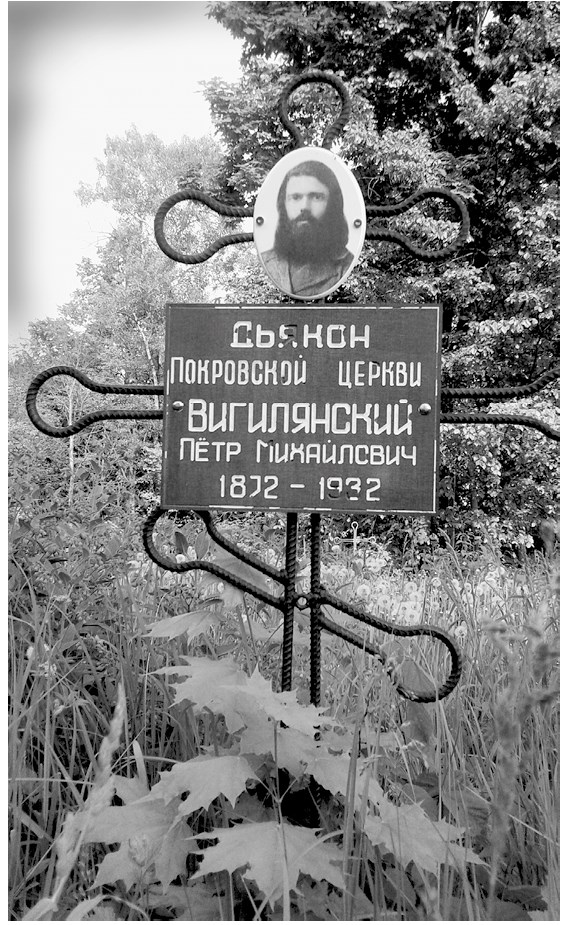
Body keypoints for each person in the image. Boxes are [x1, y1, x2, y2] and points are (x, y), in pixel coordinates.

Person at [261, 160, 356, 298]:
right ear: (283, 204)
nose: (304, 207)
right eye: (295, 197)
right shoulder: (266, 262)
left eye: (316, 197)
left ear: (333, 205)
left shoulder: (347, 266)